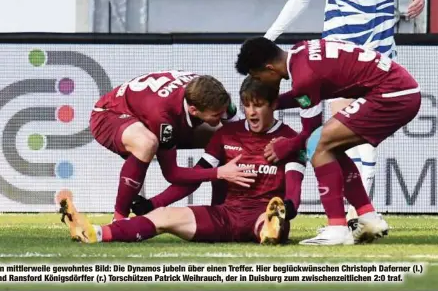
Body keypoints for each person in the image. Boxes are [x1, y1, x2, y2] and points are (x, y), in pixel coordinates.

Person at [263, 0, 428, 224]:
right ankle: (358, 214)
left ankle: (357, 213)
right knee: (343, 134)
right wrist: (269, 37)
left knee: (358, 136)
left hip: (379, 55)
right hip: (340, 56)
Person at [59, 76, 306, 245]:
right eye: (247, 105)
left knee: (272, 223)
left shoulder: (290, 140)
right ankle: (96, 233)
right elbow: (191, 177)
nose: (251, 112)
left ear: (274, 105)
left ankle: (272, 227)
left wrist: (290, 207)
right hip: (224, 216)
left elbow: (294, 188)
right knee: (164, 216)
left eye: (259, 105)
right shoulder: (226, 134)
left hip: (259, 214)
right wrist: (154, 203)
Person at [235, 37, 421, 245]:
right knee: (331, 145)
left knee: (318, 145)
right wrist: (273, 104)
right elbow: (305, 94)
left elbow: (310, 133)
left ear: (270, 69)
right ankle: (368, 217)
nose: (258, 82)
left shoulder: (304, 77)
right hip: (399, 90)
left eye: (257, 77)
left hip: (394, 95)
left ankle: (337, 228)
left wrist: (286, 145)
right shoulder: (300, 52)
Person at [90, 71, 250, 222]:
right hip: (109, 114)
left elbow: (240, 136)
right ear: (193, 110)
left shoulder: (217, 97)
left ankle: (219, 214)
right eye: (216, 115)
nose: (222, 116)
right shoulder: (163, 117)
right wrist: (218, 172)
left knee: (226, 141)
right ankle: (119, 218)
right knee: (147, 143)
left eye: (223, 112)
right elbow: (172, 174)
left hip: (153, 112)